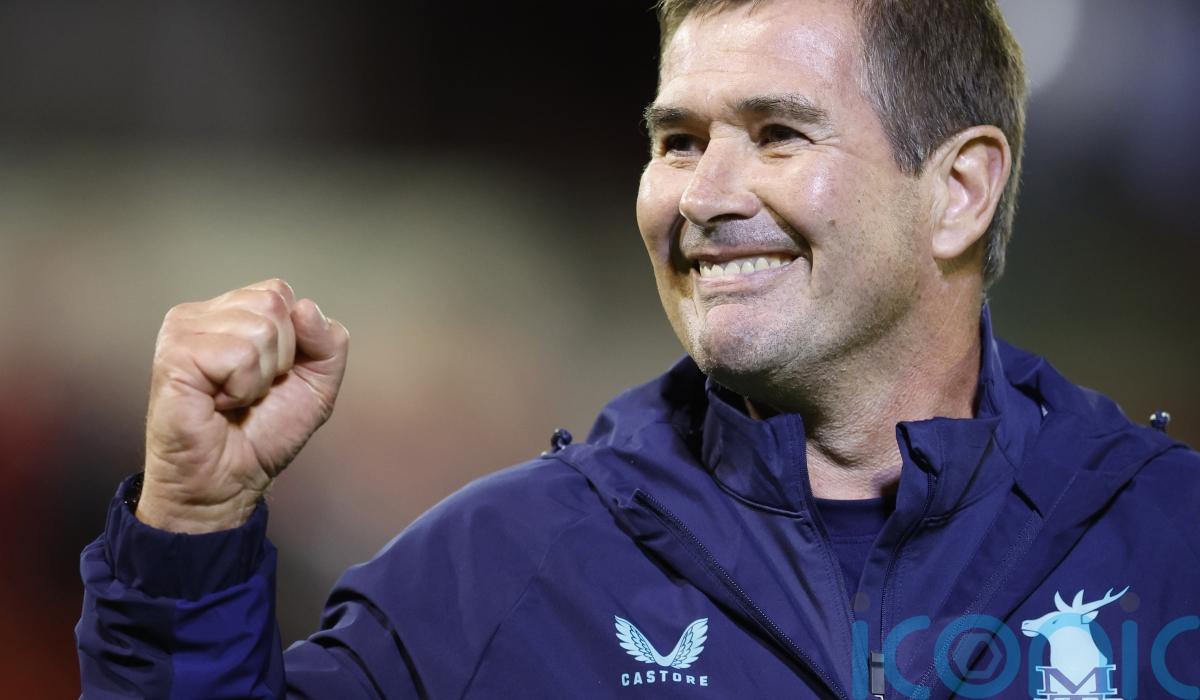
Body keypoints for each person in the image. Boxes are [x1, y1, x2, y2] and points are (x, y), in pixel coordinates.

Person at [77, 0, 1199, 698]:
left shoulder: (1170, 545)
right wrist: (192, 526)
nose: (702, 197)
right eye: (679, 141)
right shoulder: (497, 572)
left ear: (959, 190)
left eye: (776, 133)